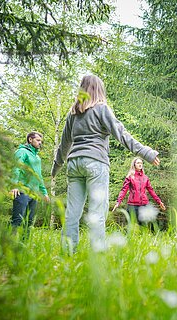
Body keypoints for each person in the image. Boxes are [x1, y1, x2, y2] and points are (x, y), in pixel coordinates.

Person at [51, 75, 160, 252]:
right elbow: (122, 135)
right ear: (99, 89)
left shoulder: (73, 114)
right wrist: (146, 152)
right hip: (96, 162)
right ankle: (97, 253)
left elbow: (64, 145)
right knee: (97, 211)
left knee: (72, 212)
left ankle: (68, 252)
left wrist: (56, 167)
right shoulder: (102, 109)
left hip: (74, 163)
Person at [10, 131, 50, 234]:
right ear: (30, 140)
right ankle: (9, 247)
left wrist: (44, 192)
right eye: (38, 140)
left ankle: (24, 246)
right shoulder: (22, 151)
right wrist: (14, 185)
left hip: (34, 194)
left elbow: (39, 176)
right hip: (22, 190)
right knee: (18, 220)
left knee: (29, 222)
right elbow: (16, 168)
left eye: (41, 141)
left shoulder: (37, 157)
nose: (40, 143)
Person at [112, 157, 166, 227]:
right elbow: (124, 190)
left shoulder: (145, 177)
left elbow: (151, 190)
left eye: (141, 163)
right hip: (132, 206)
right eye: (138, 163)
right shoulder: (130, 177)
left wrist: (159, 202)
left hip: (144, 205)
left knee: (145, 227)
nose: (140, 164)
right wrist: (118, 202)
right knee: (132, 227)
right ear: (134, 165)